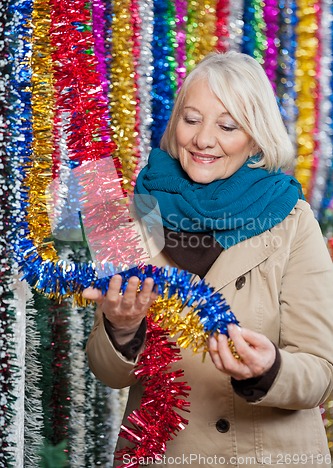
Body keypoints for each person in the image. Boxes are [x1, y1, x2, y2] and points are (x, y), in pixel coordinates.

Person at [84, 51, 333, 467]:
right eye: (192, 119)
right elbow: (109, 372)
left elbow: (322, 370)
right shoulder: (132, 215)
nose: (202, 140)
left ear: (255, 137)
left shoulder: (292, 218)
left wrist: (270, 369)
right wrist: (121, 331)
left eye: (227, 126)